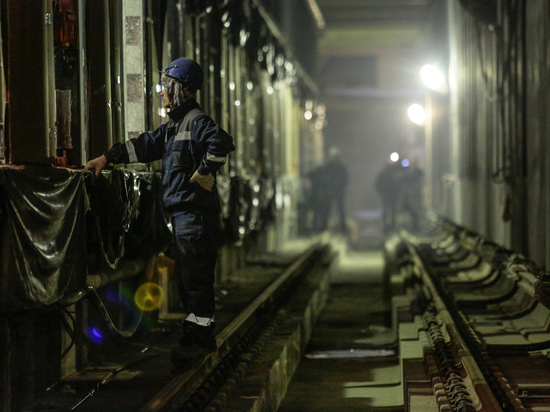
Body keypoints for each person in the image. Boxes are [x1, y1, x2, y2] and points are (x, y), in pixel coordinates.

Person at [84, 57, 235, 363]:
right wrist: (105, 158)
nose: (162, 94)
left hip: (195, 217)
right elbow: (142, 146)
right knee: (187, 281)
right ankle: (195, 336)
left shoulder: (196, 122)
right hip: (184, 217)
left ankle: (201, 340)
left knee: (195, 281)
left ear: (179, 88)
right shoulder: (173, 128)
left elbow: (221, 141)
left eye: (165, 88)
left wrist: (204, 171)